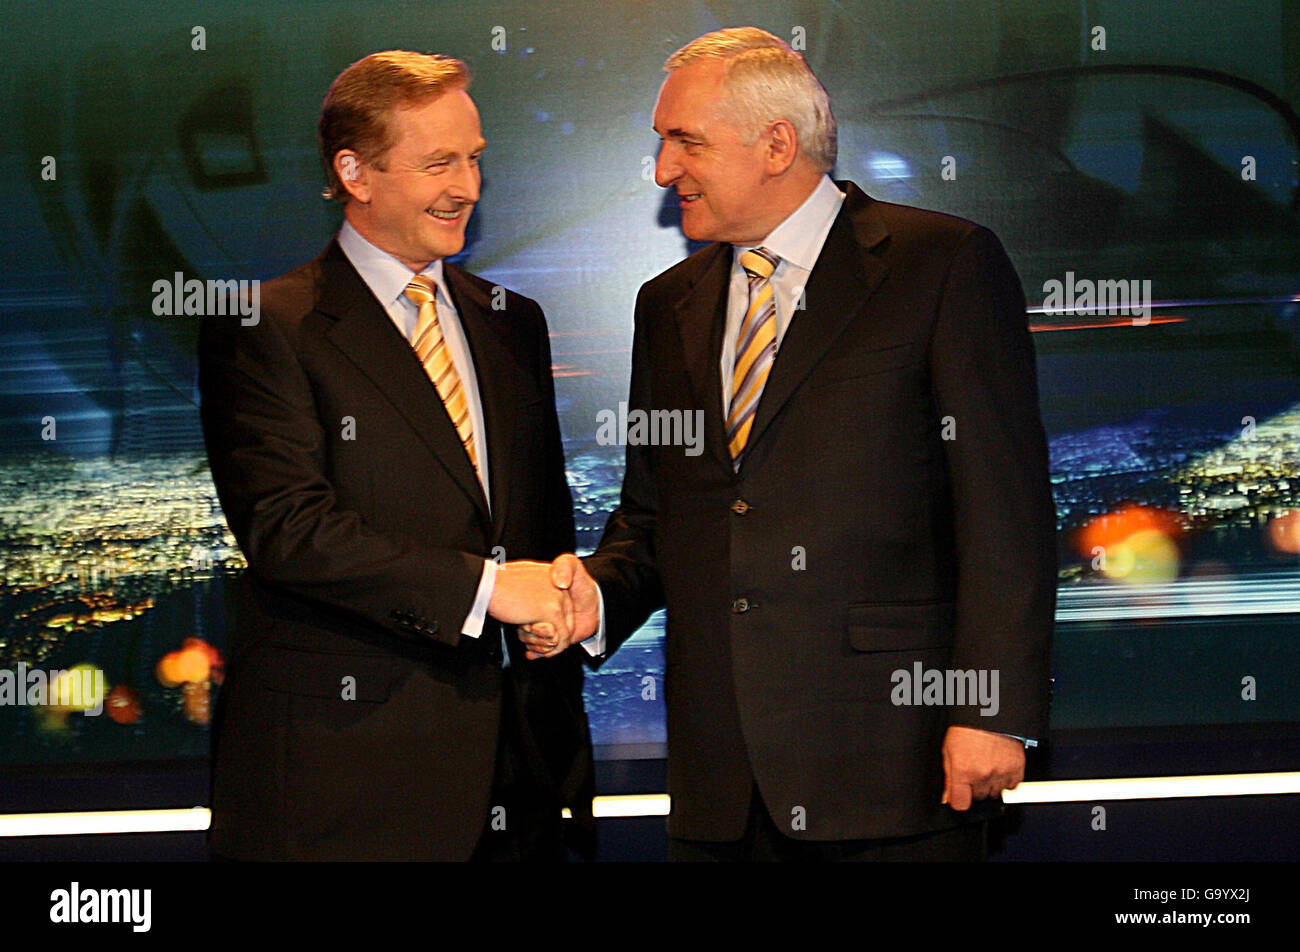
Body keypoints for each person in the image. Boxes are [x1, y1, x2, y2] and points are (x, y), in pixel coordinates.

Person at [535, 27, 1057, 861]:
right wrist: (590, 600)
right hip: (721, 785)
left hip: (895, 768)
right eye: (662, 142)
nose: (665, 170)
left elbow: (1007, 514)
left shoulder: (941, 263)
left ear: (777, 143)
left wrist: (990, 712)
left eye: (686, 141)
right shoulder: (666, 303)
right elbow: (652, 519)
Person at [198, 50, 592, 861]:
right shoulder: (266, 326)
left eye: (475, 159)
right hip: (348, 790)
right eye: (439, 163)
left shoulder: (513, 322)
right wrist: (490, 589)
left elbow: (536, 522)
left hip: (520, 781)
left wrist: (563, 595)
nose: (468, 188)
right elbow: (289, 532)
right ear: (356, 172)